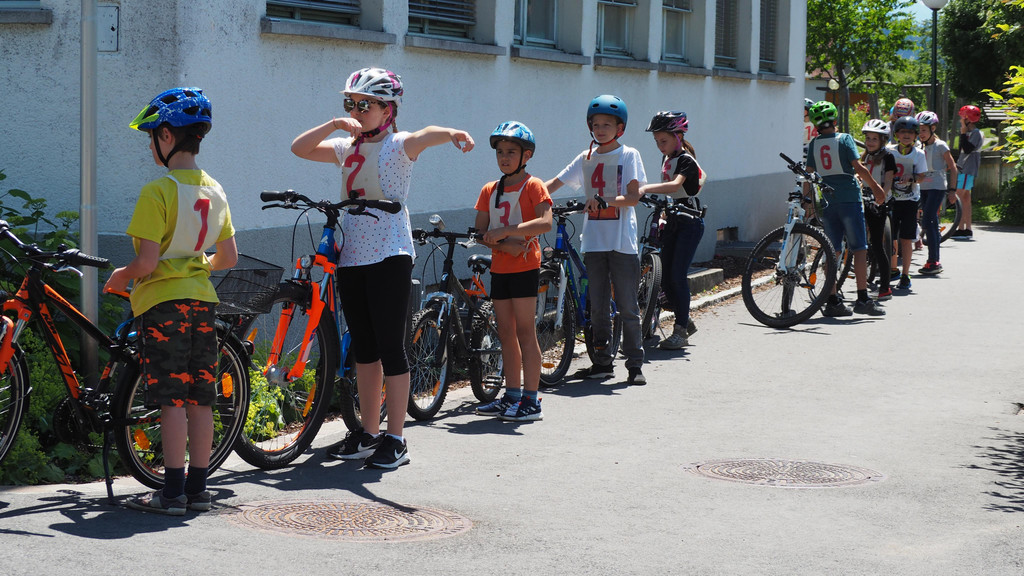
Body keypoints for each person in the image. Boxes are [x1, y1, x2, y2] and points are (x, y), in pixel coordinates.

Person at [291, 67, 474, 468]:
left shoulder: (398, 144)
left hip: (390, 252)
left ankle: (396, 438)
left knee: (391, 346)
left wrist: (453, 133)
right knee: (364, 348)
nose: (356, 111)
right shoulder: (346, 146)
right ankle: (368, 433)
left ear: (388, 110)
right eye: (351, 103)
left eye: (366, 105)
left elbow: (426, 134)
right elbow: (299, 148)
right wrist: (333, 124)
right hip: (352, 253)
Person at [105, 87, 238, 515]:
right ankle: (198, 489)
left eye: (151, 138)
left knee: (171, 400)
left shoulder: (157, 191)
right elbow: (228, 258)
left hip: (164, 307)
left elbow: (146, 262)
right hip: (203, 304)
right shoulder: (215, 189)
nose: (150, 147)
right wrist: (195, 267)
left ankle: (172, 492)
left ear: (166, 136)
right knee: (201, 398)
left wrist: (121, 276)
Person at [545, 95, 648, 385]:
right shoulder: (586, 157)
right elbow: (554, 183)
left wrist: (605, 200)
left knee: (627, 305)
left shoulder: (629, 155)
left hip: (621, 242)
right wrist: (529, 195)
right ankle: (602, 363)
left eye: (607, 125)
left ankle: (635, 364)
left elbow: (633, 197)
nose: (600, 129)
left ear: (620, 129)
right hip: (594, 242)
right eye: (596, 124)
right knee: (598, 307)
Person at [473, 121, 552, 421]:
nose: (504, 157)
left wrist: (507, 231)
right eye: (500, 152)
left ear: (526, 155)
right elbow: (480, 232)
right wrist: (506, 245)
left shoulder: (534, 185)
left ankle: (531, 400)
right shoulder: (490, 190)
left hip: (525, 268)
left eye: (511, 152)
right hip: (501, 267)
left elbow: (545, 222)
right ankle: (512, 395)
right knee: (505, 333)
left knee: (525, 332)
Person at [804, 101, 886, 317]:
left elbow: (809, 174)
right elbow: (858, 167)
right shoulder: (845, 139)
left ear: (816, 125)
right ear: (834, 120)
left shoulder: (814, 144)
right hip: (850, 199)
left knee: (832, 250)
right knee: (859, 248)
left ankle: (832, 300)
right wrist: (876, 188)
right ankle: (863, 298)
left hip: (828, 202)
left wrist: (807, 202)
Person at [638, 111, 706, 350]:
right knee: (664, 277)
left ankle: (680, 331)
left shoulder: (686, 160)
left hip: (690, 223)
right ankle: (685, 319)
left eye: (663, 141)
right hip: (673, 221)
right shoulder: (667, 158)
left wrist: (644, 188)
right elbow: (670, 193)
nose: (660, 146)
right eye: (656, 141)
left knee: (677, 276)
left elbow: (674, 185)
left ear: (679, 136)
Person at [886, 116, 929, 291]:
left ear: (915, 136)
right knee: (891, 237)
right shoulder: (889, 151)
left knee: (906, 239)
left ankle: (905, 274)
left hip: (910, 200)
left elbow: (922, 177)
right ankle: (892, 269)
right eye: (903, 132)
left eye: (910, 133)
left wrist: (912, 177)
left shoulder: (919, 154)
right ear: (896, 134)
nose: (906, 135)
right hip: (891, 200)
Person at [916, 111, 958, 275]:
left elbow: (953, 167)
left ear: (932, 129)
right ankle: (933, 261)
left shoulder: (940, 146)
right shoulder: (918, 146)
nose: (921, 134)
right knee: (930, 222)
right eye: (919, 130)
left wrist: (952, 190)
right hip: (922, 187)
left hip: (937, 187)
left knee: (928, 220)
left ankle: (934, 260)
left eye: (924, 130)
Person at [859, 118, 897, 301]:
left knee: (877, 244)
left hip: (878, 201)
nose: (870, 142)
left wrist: (881, 197)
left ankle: (885, 287)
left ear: (883, 140)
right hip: (863, 198)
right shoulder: (864, 156)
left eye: (874, 139)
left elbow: (888, 181)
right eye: (868, 138)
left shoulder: (888, 157)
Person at [953, 104, 983, 240]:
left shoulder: (975, 133)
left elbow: (967, 149)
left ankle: (960, 228)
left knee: (958, 197)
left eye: (962, 118)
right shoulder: (969, 133)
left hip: (968, 169)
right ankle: (966, 229)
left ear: (967, 119)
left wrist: (963, 133)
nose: (960, 120)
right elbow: (962, 149)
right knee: (965, 199)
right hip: (963, 168)